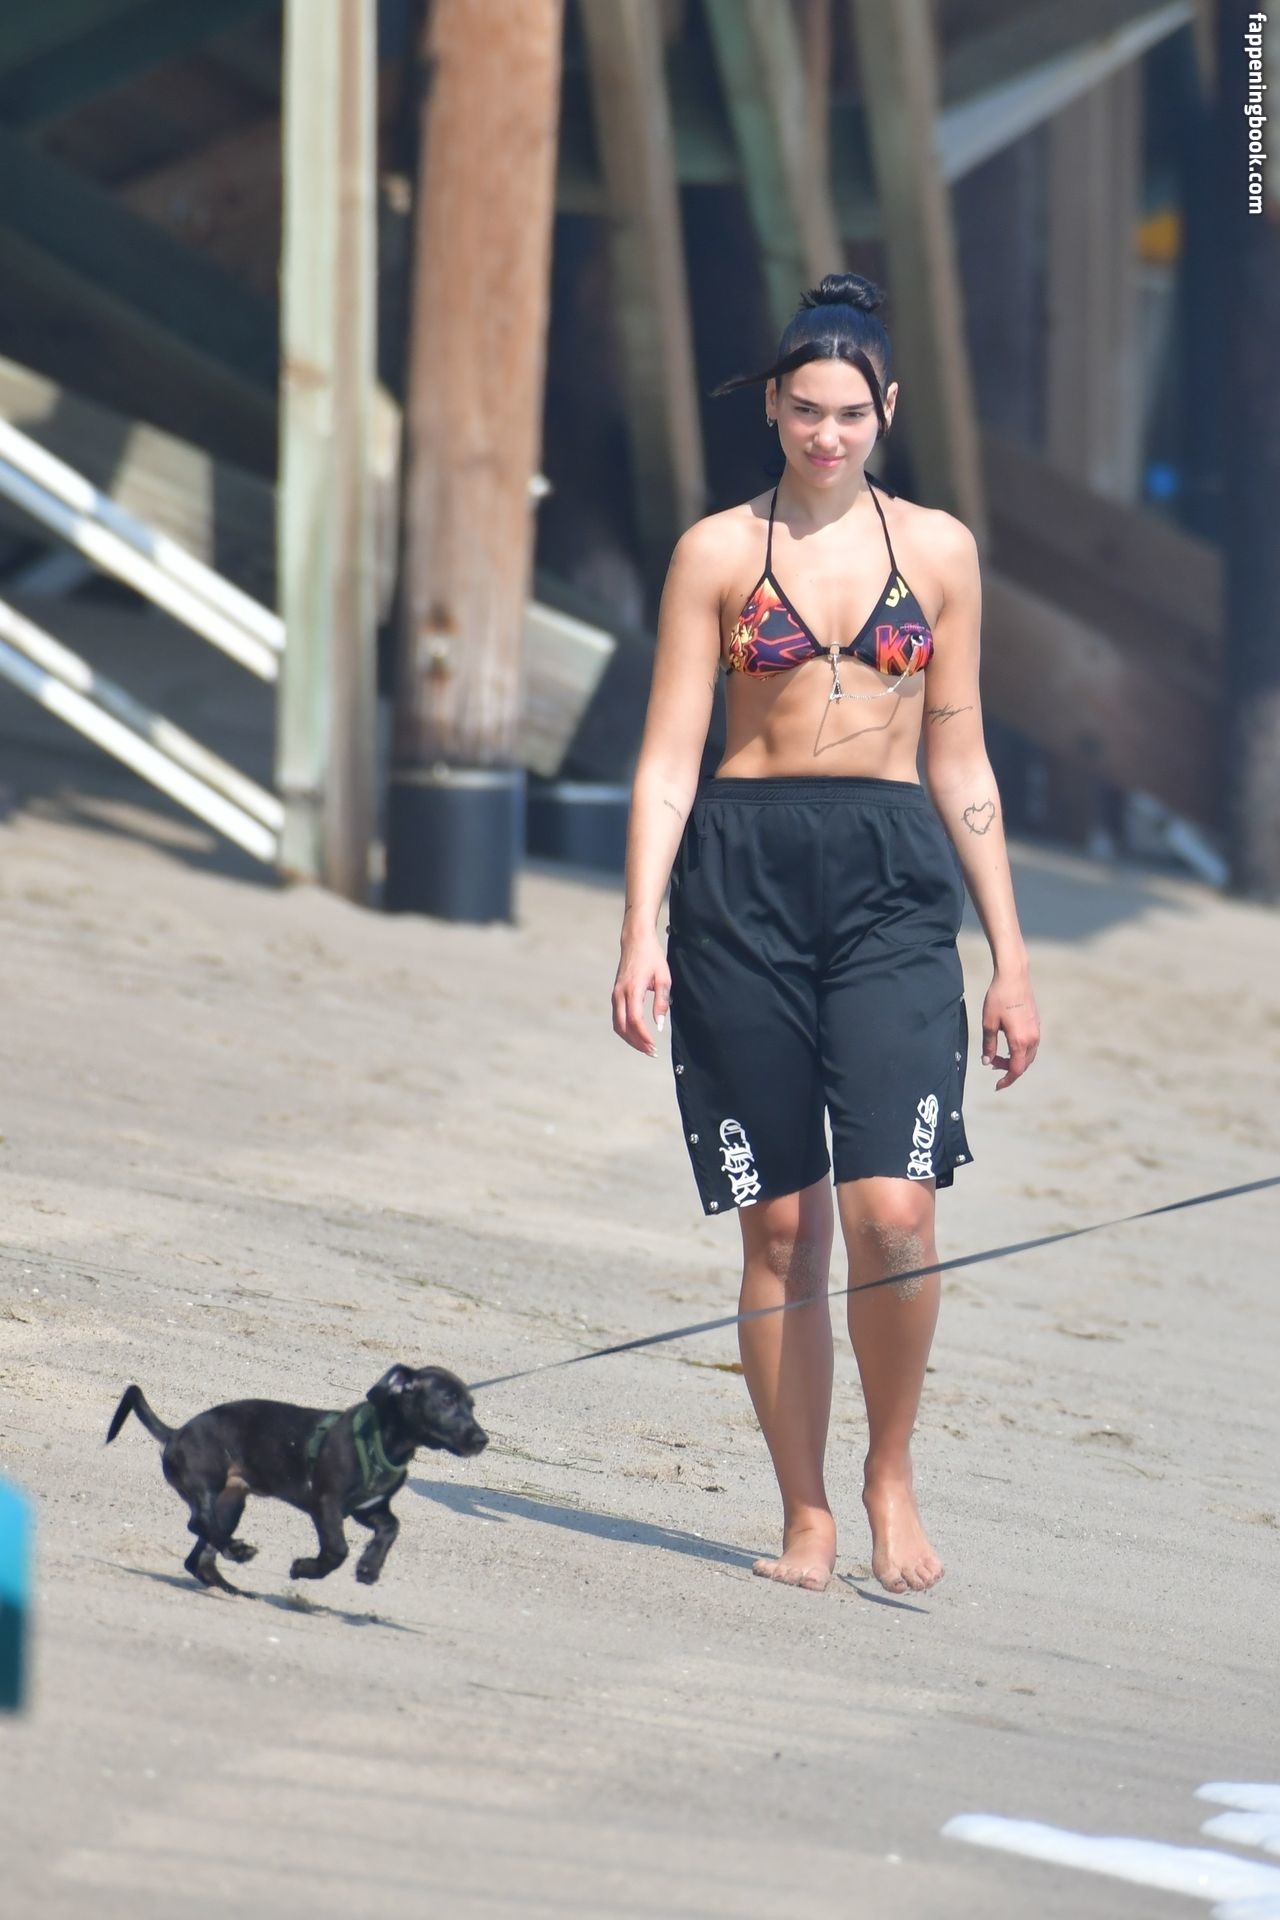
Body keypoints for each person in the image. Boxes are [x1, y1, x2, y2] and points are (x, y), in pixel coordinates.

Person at [611, 272, 1039, 1597]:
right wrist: (639, 931)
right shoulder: (716, 554)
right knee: (784, 1232)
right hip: (740, 879)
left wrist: (1011, 957)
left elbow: (960, 756)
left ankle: (888, 1472)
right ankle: (805, 1512)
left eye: (851, 414)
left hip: (891, 881)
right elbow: (668, 759)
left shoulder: (942, 553)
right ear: (774, 410)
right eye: (806, 412)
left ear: (887, 409)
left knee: (895, 1213)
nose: (828, 436)